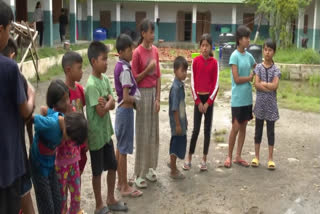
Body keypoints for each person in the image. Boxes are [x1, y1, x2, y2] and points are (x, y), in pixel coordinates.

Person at [30, 79, 88, 214]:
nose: (67, 102)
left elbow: (79, 127)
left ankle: (75, 211)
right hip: (60, 164)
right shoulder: (53, 116)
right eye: (63, 100)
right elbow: (43, 111)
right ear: (54, 102)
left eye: (68, 97)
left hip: (74, 161)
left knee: (76, 195)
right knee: (61, 197)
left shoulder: (72, 110)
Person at [0, 2, 36, 213]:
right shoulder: (9, 68)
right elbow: (25, 111)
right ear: (1, 29)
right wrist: (30, 94)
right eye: (9, 29)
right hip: (7, 164)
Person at [85, 41, 128, 214]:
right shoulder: (91, 85)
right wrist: (108, 102)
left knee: (112, 166)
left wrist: (108, 101)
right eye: (104, 59)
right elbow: (101, 112)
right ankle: (99, 204)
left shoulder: (104, 79)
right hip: (95, 136)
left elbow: (112, 101)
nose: (106, 62)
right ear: (94, 61)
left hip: (106, 134)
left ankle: (110, 198)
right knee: (97, 173)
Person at [55, 51, 87, 214]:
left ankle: (75, 211)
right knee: (62, 196)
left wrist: (85, 140)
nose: (82, 71)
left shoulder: (80, 90)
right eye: (79, 68)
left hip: (76, 153)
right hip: (61, 160)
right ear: (68, 69)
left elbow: (83, 115)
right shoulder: (59, 95)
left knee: (76, 192)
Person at [131, 18, 161, 188]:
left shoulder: (155, 51)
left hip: (153, 94)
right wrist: (147, 70)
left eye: (153, 31)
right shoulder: (137, 53)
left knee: (153, 133)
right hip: (141, 94)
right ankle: (139, 173)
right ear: (143, 34)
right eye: (150, 32)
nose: (153, 35)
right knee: (142, 133)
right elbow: (134, 79)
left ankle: (150, 168)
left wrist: (158, 99)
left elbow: (157, 77)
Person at [183, 34, 219, 171]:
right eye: (202, 45)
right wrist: (198, 102)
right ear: (200, 47)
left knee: (207, 131)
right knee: (196, 130)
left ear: (211, 47)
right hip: (198, 100)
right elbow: (192, 84)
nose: (204, 48)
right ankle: (189, 157)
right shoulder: (195, 61)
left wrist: (208, 103)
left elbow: (216, 84)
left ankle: (204, 159)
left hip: (208, 101)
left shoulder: (214, 63)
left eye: (207, 46)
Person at [114, 34, 143, 197]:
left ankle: (120, 181)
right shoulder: (124, 69)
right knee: (123, 150)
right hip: (125, 111)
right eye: (129, 50)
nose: (132, 52)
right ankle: (124, 186)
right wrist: (136, 99)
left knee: (120, 147)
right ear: (121, 52)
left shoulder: (120, 65)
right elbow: (125, 97)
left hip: (122, 111)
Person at [224, 25, 256, 168]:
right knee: (235, 127)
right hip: (237, 99)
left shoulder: (249, 56)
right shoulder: (234, 56)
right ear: (239, 40)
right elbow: (236, 79)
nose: (248, 40)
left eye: (249, 38)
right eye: (246, 38)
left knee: (243, 127)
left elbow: (257, 68)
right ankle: (229, 156)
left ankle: (238, 156)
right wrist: (249, 78)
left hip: (247, 98)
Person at [251, 39, 280, 170]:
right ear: (263, 50)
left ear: (274, 52)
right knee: (258, 131)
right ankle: (256, 157)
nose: (267, 52)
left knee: (270, 132)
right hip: (260, 105)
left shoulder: (276, 69)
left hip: (271, 106)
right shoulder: (258, 67)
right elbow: (256, 84)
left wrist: (265, 84)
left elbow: (275, 85)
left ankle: (270, 159)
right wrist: (268, 87)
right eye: (266, 49)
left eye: (270, 50)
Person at [168, 56, 188, 179]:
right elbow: (174, 108)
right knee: (176, 143)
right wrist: (178, 124)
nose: (185, 73)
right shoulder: (175, 88)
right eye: (182, 71)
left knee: (178, 142)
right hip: (177, 122)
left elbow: (181, 107)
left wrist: (184, 119)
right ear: (175, 71)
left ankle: (172, 164)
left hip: (181, 120)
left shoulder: (180, 85)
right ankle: (173, 170)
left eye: (186, 70)